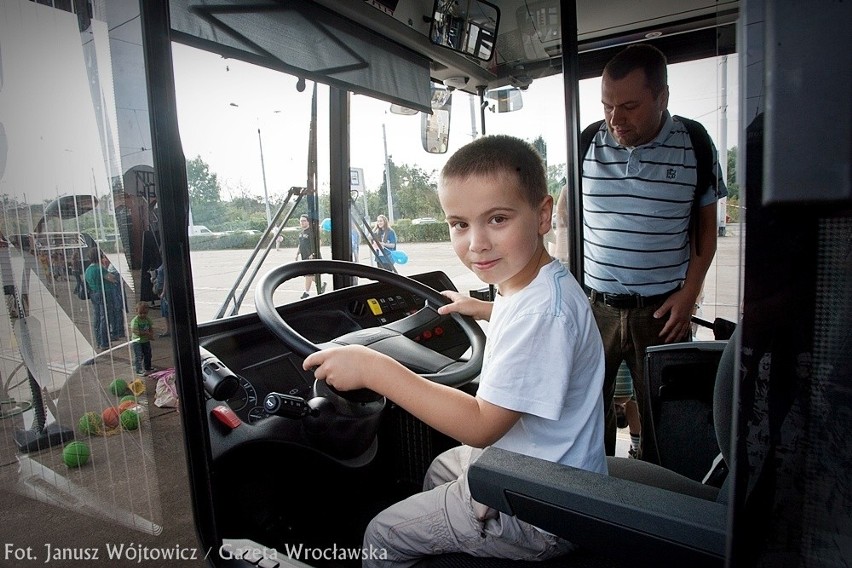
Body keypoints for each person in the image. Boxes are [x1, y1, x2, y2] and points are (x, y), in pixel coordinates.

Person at [303, 135, 606, 566]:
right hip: (549, 470)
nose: (476, 243)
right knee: (442, 466)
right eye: (460, 224)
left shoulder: (542, 315)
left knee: (379, 535)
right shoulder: (533, 285)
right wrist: (483, 309)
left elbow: (481, 426)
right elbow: (522, 321)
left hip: (537, 510)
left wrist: (375, 368)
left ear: (542, 215)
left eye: (497, 219)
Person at [582, 43, 727, 459]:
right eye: (607, 105)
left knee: (666, 419)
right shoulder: (589, 141)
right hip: (596, 308)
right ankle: (599, 493)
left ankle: (656, 498)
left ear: (662, 98)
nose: (615, 119)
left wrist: (689, 294)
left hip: (662, 312)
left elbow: (705, 233)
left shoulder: (695, 143)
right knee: (587, 414)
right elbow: (569, 223)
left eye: (628, 106)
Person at [84, 248, 115, 350]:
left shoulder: (88, 270)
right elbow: (111, 278)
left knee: (97, 318)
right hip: (104, 293)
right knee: (104, 318)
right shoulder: (99, 269)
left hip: (94, 294)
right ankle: (104, 342)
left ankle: (98, 341)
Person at [295, 214, 325, 299]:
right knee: (308, 275)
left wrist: (313, 253)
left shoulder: (311, 232)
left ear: (308, 222)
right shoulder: (301, 233)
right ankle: (319, 286)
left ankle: (307, 292)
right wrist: (297, 253)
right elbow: (300, 244)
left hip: (312, 256)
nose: (302, 222)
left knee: (309, 274)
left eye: (304, 221)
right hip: (304, 256)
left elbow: (319, 242)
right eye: (301, 221)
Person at [130, 301, 154, 375]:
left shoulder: (147, 319)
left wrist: (151, 334)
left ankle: (148, 367)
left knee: (148, 354)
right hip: (137, 341)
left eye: (145, 313)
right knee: (139, 355)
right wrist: (146, 333)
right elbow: (135, 331)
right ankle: (139, 369)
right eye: (141, 313)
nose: (143, 315)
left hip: (145, 340)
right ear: (136, 311)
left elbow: (151, 327)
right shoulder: (135, 321)